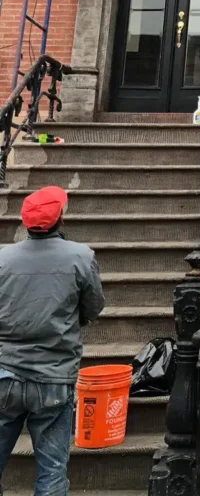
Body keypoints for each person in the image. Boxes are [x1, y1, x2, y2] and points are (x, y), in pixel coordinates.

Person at [0, 185, 104, 496]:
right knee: (52, 471)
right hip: (54, 375)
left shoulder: (3, 258)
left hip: (5, 372)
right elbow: (94, 307)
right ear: (60, 218)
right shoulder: (81, 257)